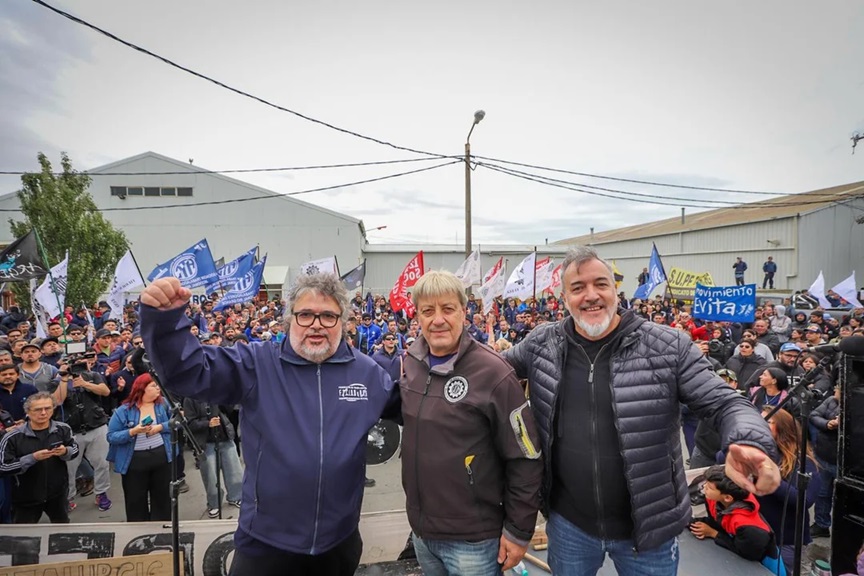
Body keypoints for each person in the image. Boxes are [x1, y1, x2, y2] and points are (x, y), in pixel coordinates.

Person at [503, 246, 780, 576]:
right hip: (569, 526)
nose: (591, 295)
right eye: (578, 288)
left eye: (600, 284)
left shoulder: (668, 347)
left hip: (648, 531)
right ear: (564, 298)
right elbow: (489, 372)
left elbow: (726, 402)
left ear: (615, 290)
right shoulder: (541, 344)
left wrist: (750, 442)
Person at [140, 273, 400, 576]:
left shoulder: (367, 373)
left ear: (342, 322)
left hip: (338, 543)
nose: (316, 324)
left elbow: (416, 406)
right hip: (266, 544)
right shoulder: (256, 363)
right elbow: (187, 371)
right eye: (305, 314)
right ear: (290, 319)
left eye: (328, 316)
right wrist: (165, 321)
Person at [400, 270, 542, 574]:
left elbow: (526, 457)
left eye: (447, 309)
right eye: (428, 311)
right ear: (417, 317)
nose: (438, 319)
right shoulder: (412, 361)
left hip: (474, 542)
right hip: (423, 534)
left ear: (464, 312)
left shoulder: (494, 372)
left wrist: (518, 531)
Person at [756, 407, 821, 573]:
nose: (760, 425)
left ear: (782, 428)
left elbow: (804, 499)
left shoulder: (803, 462)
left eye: (767, 421)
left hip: (785, 539)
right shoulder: (759, 453)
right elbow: (721, 456)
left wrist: (770, 478)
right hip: (758, 533)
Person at [690, 465, 785, 574]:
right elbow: (716, 522)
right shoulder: (714, 499)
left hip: (763, 561)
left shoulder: (750, 526)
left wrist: (713, 533)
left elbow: (746, 553)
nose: (704, 487)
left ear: (727, 498)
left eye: (710, 488)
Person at [0, 392, 79, 523]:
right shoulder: (12, 437)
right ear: (27, 412)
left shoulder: (63, 429)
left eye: (47, 408)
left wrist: (65, 451)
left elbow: (75, 449)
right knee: (24, 532)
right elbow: (3, 467)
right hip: (25, 497)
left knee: (62, 527)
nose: (43, 413)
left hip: (57, 493)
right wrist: (32, 458)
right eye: (37, 409)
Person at [106, 374, 173, 522]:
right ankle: (139, 531)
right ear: (142, 389)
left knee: (163, 499)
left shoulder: (163, 404)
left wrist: (160, 427)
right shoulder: (123, 411)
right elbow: (111, 436)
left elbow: (177, 422)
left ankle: (161, 528)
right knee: (135, 501)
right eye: (153, 386)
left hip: (161, 457)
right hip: (134, 461)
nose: (158, 388)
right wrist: (132, 432)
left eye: (158, 385)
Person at [183, 396, 243, 518]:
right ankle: (214, 503)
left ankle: (236, 496)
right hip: (205, 442)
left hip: (224, 436)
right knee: (210, 475)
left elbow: (229, 409)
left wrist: (223, 398)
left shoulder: (216, 394)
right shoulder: (190, 399)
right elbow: (189, 423)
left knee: (234, 470)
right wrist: (207, 423)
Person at [809, 386, 841, 539]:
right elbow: (814, 415)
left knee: (844, 498)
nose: (835, 391)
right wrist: (828, 423)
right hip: (824, 454)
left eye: (838, 388)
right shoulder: (831, 401)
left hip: (843, 462)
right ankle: (821, 524)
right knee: (822, 493)